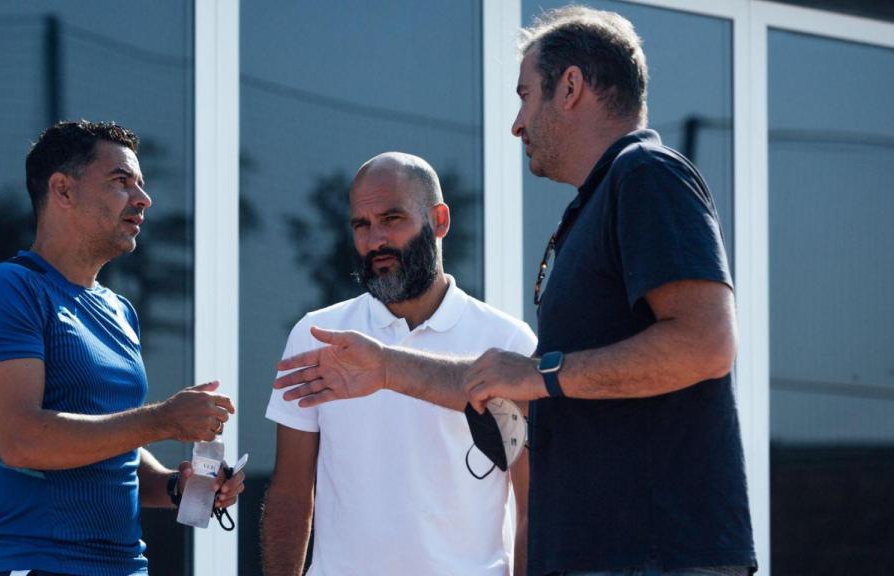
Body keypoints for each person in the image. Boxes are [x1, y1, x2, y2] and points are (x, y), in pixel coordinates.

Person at [273, 7, 756, 576]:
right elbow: (507, 383)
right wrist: (384, 367)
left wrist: (540, 374)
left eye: (526, 94)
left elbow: (707, 343)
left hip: (655, 556)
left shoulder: (647, 173)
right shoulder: (595, 206)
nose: (516, 122)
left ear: (570, 87)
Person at [0, 121, 245, 576]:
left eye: (142, 185)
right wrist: (161, 419)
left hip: (125, 566)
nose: (143, 200)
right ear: (63, 190)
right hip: (35, 562)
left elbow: (116, 453)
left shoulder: (119, 310)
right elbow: (20, 439)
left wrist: (174, 486)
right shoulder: (4, 290)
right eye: (120, 182)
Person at [262, 152, 537, 576]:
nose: (376, 241)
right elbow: (291, 494)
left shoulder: (508, 343)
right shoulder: (316, 336)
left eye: (392, 219)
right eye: (361, 225)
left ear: (440, 221)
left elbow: (533, 503)